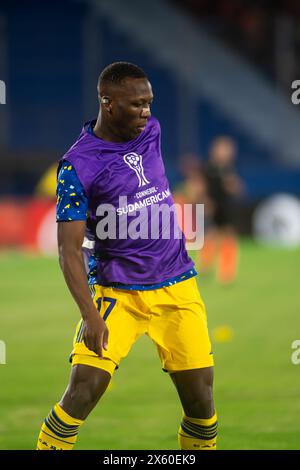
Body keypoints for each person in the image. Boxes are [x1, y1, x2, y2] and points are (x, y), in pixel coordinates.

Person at [36, 62, 217, 451]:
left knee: (202, 405)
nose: (146, 112)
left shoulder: (151, 131)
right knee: (83, 390)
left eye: (149, 103)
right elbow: (68, 251)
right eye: (137, 104)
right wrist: (89, 314)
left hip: (178, 287)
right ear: (108, 103)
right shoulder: (77, 167)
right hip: (118, 294)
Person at [200, 136, 245, 284]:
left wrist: (231, 181)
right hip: (212, 207)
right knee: (210, 237)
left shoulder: (229, 168)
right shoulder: (208, 167)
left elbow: (235, 189)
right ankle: (205, 267)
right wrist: (205, 202)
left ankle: (227, 273)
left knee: (228, 237)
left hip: (227, 207)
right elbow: (202, 187)